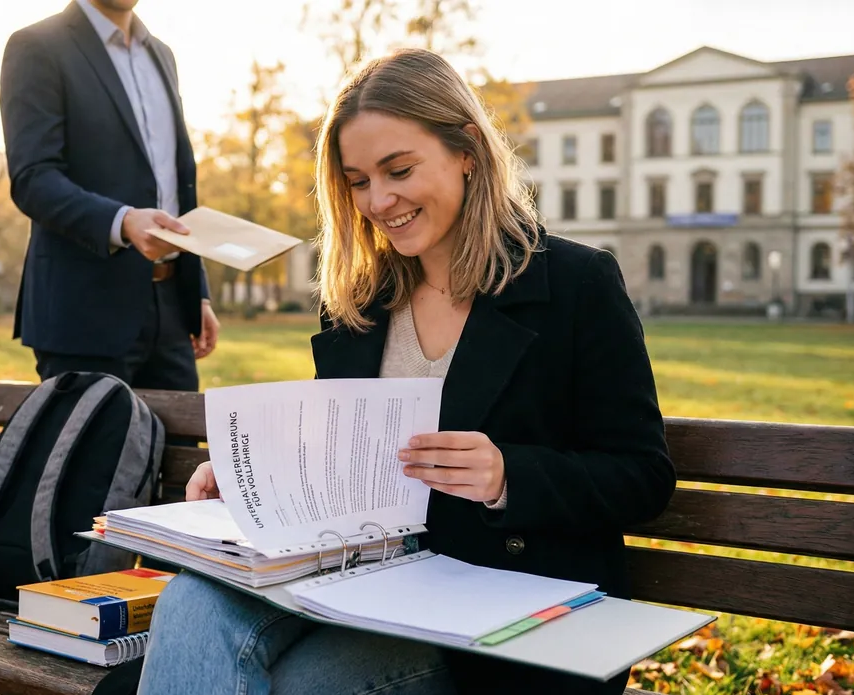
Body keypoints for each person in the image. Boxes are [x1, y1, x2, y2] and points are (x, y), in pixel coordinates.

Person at [136, 48, 676, 695]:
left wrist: (509, 474)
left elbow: (642, 476)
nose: (378, 199)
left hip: (497, 617)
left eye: (398, 169)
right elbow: (338, 453)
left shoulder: (575, 284)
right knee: (190, 605)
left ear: (467, 149)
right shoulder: (359, 302)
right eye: (358, 180)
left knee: (301, 687)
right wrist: (254, 476)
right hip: (350, 583)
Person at [0, 0, 219, 388]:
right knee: (96, 450)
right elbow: (33, 177)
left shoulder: (162, 55)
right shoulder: (37, 46)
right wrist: (123, 222)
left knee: (182, 449)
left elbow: (174, 183)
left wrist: (196, 293)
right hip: (83, 317)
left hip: (170, 312)